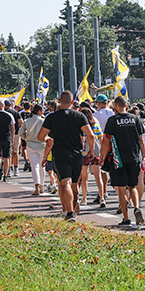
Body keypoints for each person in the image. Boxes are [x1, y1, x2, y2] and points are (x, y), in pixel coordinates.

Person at [39, 91, 95, 222]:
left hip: (60, 153)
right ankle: (75, 208)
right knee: (75, 184)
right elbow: (91, 135)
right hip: (77, 154)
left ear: (59, 100)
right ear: (72, 102)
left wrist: (48, 139)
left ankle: (70, 212)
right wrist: (91, 151)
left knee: (65, 182)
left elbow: (41, 136)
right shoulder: (80, 116)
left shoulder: (52, 117)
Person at [99, 96, 145, 228]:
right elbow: (141, 140)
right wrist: (144, 157)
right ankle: (137, 207)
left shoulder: (112, 121)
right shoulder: (135, 119)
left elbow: (106, 141)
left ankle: (126, 218)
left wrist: (102, 157)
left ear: (115, 106)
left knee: (121, 189)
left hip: (118, 159)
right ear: (127, 105)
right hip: (134, 158)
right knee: (132, 186)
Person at [20, 104, 47, 195]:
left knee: (34, 166)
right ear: (39, 111)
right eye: (42, 110)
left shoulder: (27, 121)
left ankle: (36, 186)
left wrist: (26, 138)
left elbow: (20, 133)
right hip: (42, 145)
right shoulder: (43, 121)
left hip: (30, 145)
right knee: (41, 166)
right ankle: (42, 185)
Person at [0, 99, 15, 182]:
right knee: (6, 157)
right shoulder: (9, 115)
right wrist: (12, 138)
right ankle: (5, 175)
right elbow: (13, 127)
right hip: (7, 138)